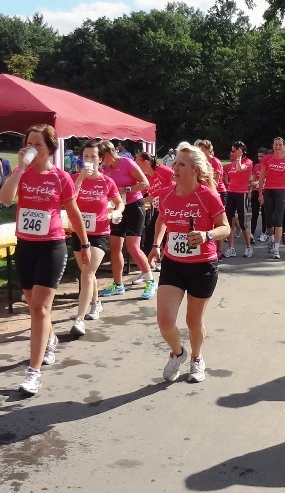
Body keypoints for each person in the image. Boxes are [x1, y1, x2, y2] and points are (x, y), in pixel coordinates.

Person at [0, 124, 91, 396]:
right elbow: (5, 199)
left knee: (40, 308)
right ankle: (50, 338)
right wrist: (19, 169)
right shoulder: (22, 173)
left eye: (38, 144)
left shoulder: (61, 177)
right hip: (25, 246)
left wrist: (84, 243)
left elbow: (73, 213)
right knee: (33, 305)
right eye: (28, 143)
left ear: (50, 149)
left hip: (51, 247)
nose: (31, 149)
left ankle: (33, 373)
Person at [148, 143, 231, 383]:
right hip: (173, 264)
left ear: (195, 170)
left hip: (202, 266)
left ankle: (196, 358)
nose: (174, 168)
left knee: (193, 322)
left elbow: (225, 227)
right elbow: (162, 219)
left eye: (181, 164)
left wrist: (207, 235)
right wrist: (156, 245)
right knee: (165, 321)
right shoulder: (166, 194)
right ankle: (178, 353)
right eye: (175, 163)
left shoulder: (208, 195)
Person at [70, 140, 124, 335]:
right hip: (78, 232)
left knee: (87, 272)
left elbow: (120, 203)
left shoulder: (107, 181)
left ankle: (79, 319)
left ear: (100, 160)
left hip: (99, 232)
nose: (89, 160)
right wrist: (79, 180)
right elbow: (68, 201)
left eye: (93, 156)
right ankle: (96, 302)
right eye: (86, 156)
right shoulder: (74, 178)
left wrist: (117, 212)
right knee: (87, 272)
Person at [98, 141, 155, 299]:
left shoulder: (126, 162)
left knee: (133, 246)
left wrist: (127, 189)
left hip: (135, 206)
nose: (100, 161)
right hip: (118, 209)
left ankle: (150, 280)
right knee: (115, 246)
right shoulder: (107, 170)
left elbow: (145, 183)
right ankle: (118, 284)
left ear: (108, 154)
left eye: (101, 157)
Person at [257, 137, 285, 260]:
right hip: (268, 191)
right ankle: (271, 239)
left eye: (280, 145)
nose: (278, 147)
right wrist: (260, 193)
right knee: (268, 220)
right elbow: (262, 177)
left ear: (283, 147)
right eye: (276, 144)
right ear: (273, 146)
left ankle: (277, 249)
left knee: (278, 219)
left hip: (282, 191)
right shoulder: (267, 159)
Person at [135, 150, 174, 264]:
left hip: (172, 207)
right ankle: (149, 260)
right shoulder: (145, 177)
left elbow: (177, 180)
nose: (136, 166)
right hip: (160, 209)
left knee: (165, 233)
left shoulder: (162, 170)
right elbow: (146, 194)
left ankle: (163, 259)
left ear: (146, 162)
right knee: (152, 232)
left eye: (137, 163)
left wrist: (166, 194)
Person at [222, 141, 253, 258]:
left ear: (241, 151)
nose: (232, 153)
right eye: (232, 151)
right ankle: (231, 248)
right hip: (231, 193)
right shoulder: (232, 164)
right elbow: (228, 176)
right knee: (229, 221)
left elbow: (240, 169)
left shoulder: (248, 162)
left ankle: (248, 247)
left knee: (243, 221)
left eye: (234, 151)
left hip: (242, 194)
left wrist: (239, 157)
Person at [250, 148, 267, 242]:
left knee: (265, 213)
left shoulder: (269, 166)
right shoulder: (256, 166)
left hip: (266, 191)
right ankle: (251, 234)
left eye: (262, 156)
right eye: (259, 156)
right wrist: (251, 189)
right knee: (254, 213)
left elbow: (267, 178)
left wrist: (258, 182)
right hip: (256, 191)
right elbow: (253, 180)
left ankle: (264, 232)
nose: (260, 158)